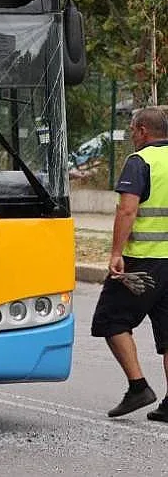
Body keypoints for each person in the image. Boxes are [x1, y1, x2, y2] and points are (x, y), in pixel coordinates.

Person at [92, 107, 168, 420]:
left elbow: (127, 210)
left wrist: (115, 253)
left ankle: (138, 387)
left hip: (143, 260)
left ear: (142, 131)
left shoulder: (140, 162)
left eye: (132, 129)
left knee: (110, 320)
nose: (131, 135)